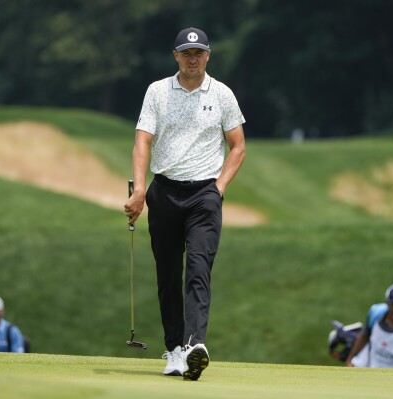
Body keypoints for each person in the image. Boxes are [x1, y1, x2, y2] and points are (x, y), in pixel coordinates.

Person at [124, 27, 246, 381]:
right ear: (176, 55)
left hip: (204, 194)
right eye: (186, 52)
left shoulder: (222, 94)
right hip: (164, 192)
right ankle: (175, 349)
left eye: (198, 52)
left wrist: (219, 188)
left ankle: (195, 345)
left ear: (208, 56)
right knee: (167, 274)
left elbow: (237, 145)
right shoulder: (158, 92)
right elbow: (142, 142)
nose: (192, 58)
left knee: (198, 267)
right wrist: (140, 190)